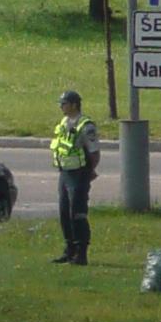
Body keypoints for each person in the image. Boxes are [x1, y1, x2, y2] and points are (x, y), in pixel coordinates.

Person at [48, 90, 101, 265]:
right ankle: (69, 249)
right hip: (65, 172)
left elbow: (94, 153)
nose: (61, 106)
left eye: (64, 103)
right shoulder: (64, 122)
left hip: (79, 174)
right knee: (64, 211)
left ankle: (81, 253)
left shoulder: (86, 126)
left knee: (77, 213)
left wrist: (88, 172)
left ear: (74, 105)